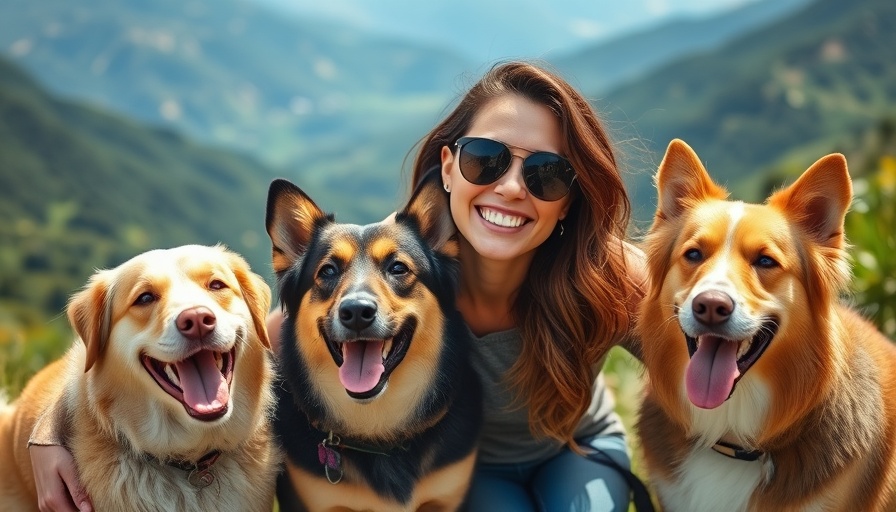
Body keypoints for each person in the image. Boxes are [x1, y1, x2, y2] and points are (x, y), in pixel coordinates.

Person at [29, 60, 647, 511]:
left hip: (576, 449)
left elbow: (712, 348)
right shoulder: (398, 270)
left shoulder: (606, 275)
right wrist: (47, 431)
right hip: (473, 467)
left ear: (570, 199)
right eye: (488, 158)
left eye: (545, 173)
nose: (512, 188)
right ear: (449, 168)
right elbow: (181, 343)